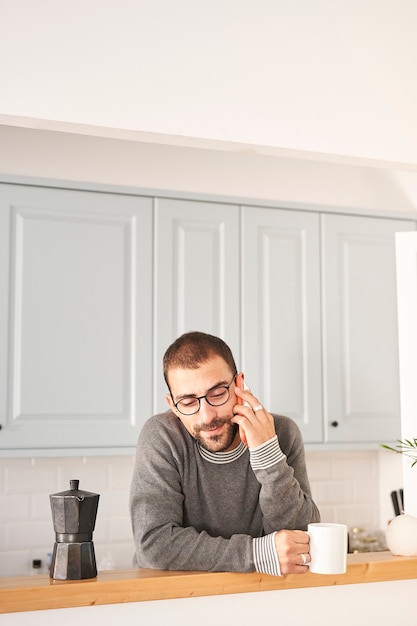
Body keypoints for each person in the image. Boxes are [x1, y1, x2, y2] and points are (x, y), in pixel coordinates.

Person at [130, 331, 320, 576]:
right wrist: (259, 553)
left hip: (263, 598)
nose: (207, 416)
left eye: (218, 393)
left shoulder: (281, 433)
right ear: (172, 405)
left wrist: (267, 454)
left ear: (239, 384)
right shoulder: (162, 436)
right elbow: (153, 545)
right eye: (188, 402)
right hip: (177, 602)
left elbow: (300, 540)